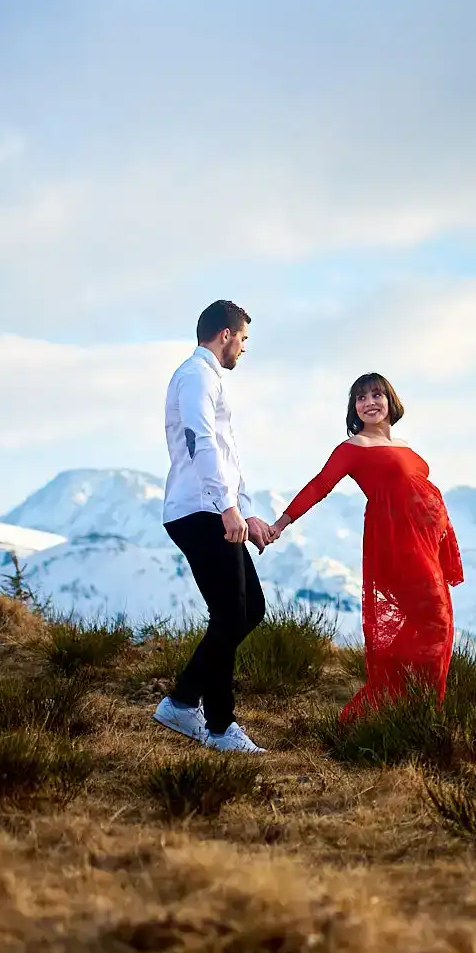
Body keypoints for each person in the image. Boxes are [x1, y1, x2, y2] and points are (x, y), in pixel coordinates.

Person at [269, 373, 463, 723]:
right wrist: (281, 523)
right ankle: (410, 712)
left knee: (432, 625)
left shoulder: (404, 446)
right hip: (397, 545)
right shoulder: (353, 448)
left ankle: (399, 710)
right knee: (437, 621)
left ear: (391, 400)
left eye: (376, 394)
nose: (369, 402)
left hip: (425, 545)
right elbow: (319, 485)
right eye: (360, 398)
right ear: (353, 409)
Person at [151, 300, 274, 754]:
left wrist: (245, 511)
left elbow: (224, 455)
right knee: (229, 614)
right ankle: (220, 727)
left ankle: (184, 699)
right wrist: (226, 508)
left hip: (215, 508)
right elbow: (199, 441)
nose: (243, 348)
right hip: (198, 511)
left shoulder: (208, 378)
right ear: (225, 334)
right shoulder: (196, 375)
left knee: (250, 609)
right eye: (242, 339)